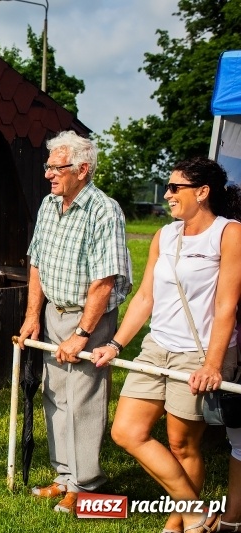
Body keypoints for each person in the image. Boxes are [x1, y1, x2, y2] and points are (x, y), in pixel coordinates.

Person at [91, 156, 241, 532]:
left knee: (182, 445)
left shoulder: (229, 233)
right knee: (126, 432)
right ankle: (197, 512)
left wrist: (212, 364)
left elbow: (226, 305)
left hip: (199, 352)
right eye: (168, 186)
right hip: (157, 347)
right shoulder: (164, 234)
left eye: (176, 187)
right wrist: (116, 343)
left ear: (202, 192)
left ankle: (177, 524)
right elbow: (144, 297)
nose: (168, 194)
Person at [17, 130, 132, 513]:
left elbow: (104, 281)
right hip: (53, 313)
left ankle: (88, 486)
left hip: (90, 318)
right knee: (54, 395)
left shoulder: (104, 209)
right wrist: (33, 315)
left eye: (56, 168)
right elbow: (36, 262)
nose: (48, 174)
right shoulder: (50, 205)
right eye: (47, 167)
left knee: (82, 399)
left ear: (82, 170)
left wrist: (83, 333)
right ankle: (64, 476)